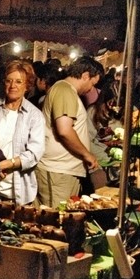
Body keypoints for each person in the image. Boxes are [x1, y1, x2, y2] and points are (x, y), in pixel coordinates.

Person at [36, 56, 103, 207]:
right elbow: (64, 130)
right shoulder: (64, 90)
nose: (91, 89)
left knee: (64, 214)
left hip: (63, 171)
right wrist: (86, 154)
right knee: (55, 215)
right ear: (85, 75)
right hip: (57, 171)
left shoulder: (67, 91)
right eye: (92, 84)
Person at [0, 59, 45, 214]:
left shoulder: (34, 115)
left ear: (27, 85)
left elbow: (34, 153)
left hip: (21, 190)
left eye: (18, 81)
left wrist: (5, 164)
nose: (12, 86)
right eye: (9, 81)